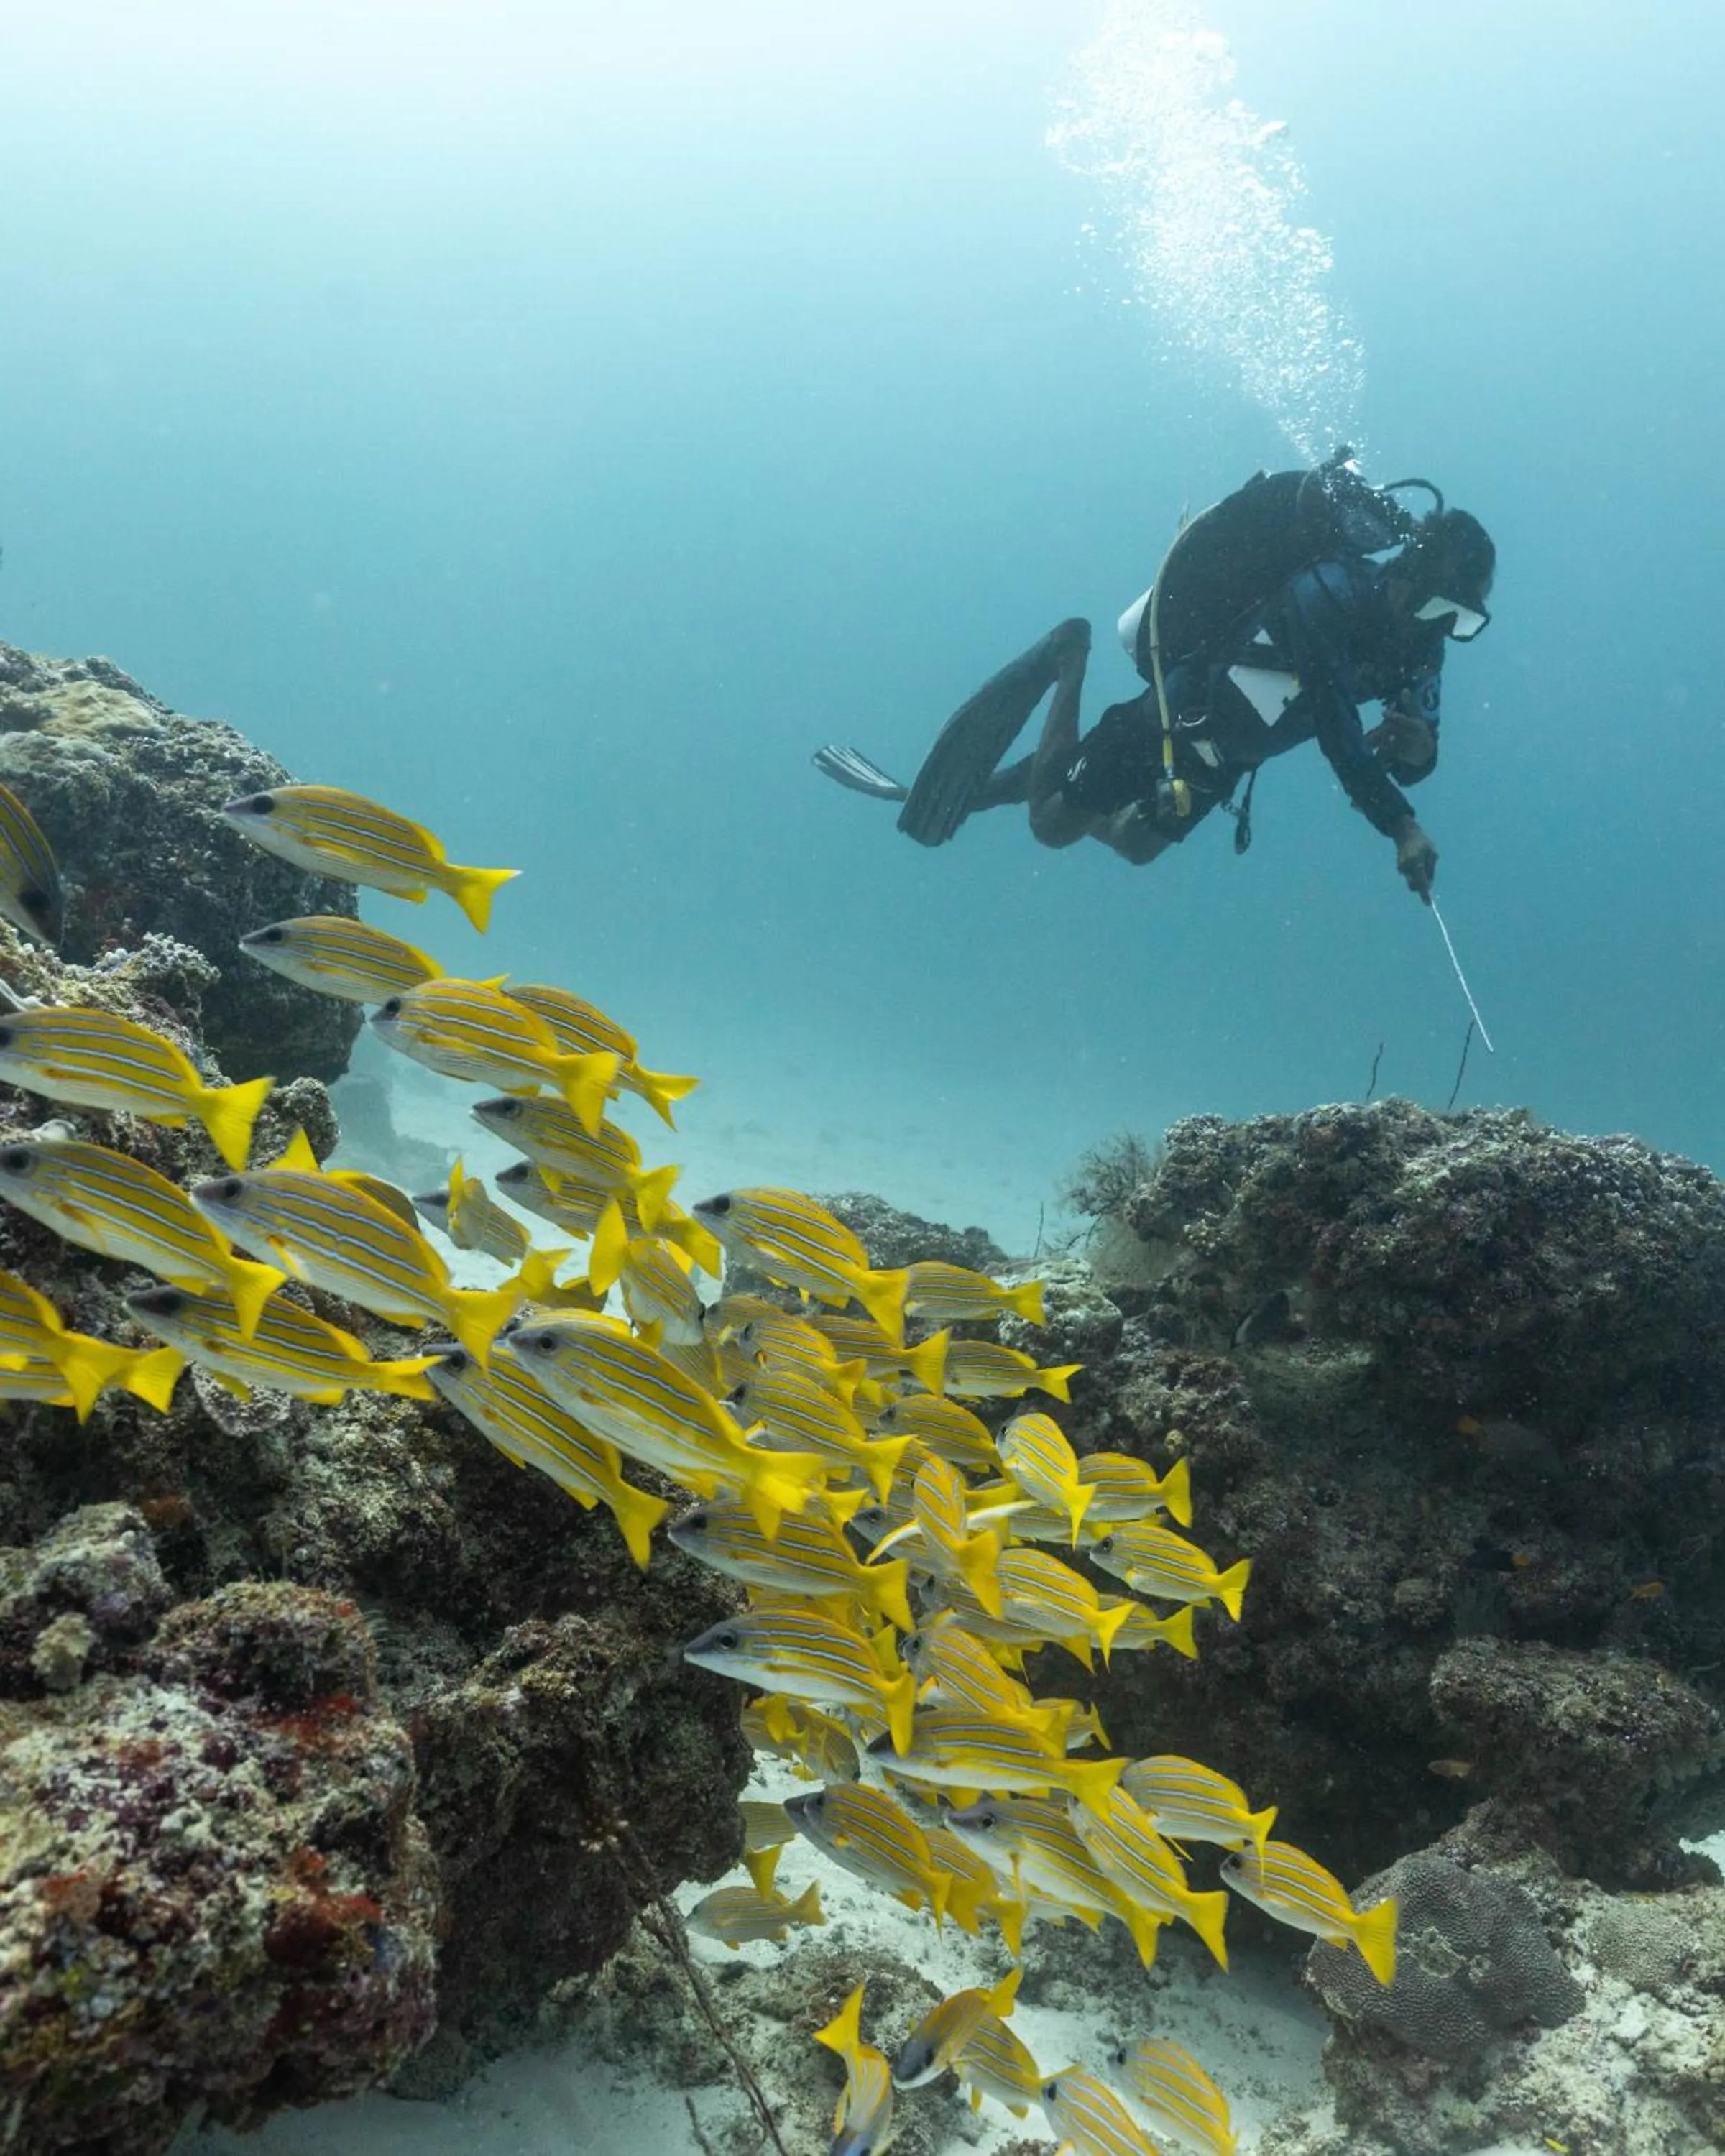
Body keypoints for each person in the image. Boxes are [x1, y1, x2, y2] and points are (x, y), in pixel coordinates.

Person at [814, 456, 1495, 903]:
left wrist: (1419, 756)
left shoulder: (1423, 645)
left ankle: (1049, 775)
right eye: (1442, 609)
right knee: (1053, 827)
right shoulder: (1328, 594)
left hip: (1228, 756)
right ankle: (1067, 656)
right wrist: (1401, 827)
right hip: (1176, 716)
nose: (1443, 632)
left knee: (1137, 845)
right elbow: (1340, 734)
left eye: (1463, 622)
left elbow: (1417, 749)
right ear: (1408, 575)